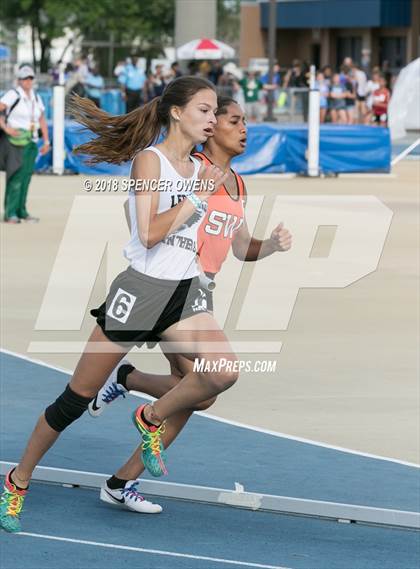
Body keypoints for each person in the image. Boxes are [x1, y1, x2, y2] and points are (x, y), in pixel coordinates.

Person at [0, 76, 247, 533]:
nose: (213, 119)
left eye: (216, 112)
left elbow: (215, 228)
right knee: (74, 400)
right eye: (205, 110)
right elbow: (149, 234)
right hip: (140, 291)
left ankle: (149, 416)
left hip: (184, 292)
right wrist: (196, 197)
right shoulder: (149, 163)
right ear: (177, 113)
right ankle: (17, 480)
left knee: (221, 373)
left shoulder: (200, 167)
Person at [88, 96, 292, 512]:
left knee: (198, 395)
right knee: (208, 382)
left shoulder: (236, 183)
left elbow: (240, 247)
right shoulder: (192, 167)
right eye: (235, 120)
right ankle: (136, 428)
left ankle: (122, 454)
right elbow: (140, 216)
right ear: (213, 126)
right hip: (172, 289)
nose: (244, 128)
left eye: (245, 122)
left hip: (200, 294)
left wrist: (269, 245)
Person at [0, 65, 50, 223]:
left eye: (30, 78)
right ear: (19, 80)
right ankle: (10, 213)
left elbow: (41, 118)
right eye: (25, 78)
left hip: (32, 141)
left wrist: (47, 140)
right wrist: (6, 128)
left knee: (26, 177)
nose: (28, 81)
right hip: (15, 141)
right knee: (15, 176)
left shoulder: (36, 97)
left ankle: (21, 211)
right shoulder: (12, 94)